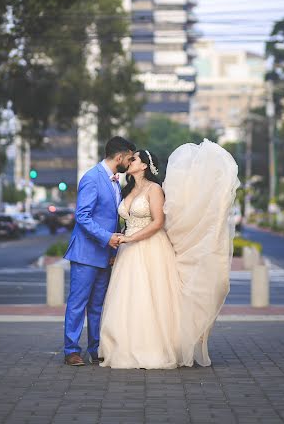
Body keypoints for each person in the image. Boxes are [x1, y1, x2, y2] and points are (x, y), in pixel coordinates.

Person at [99, 140, 240, 369]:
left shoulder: (154, 190)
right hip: (127, 250)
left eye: (134, 158)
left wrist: (131, 238)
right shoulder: (125, 189)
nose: (129, 161)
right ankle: (123, 345)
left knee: (150, 297)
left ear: (144, 165)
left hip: (150, 247)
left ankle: (151, 347)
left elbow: (158, 222)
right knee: (127, 297)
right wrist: (122, 240)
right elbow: (125, 220)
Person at [63, 136, 135, 366]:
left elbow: (111, 217)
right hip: (85, 253)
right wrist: (107, 238)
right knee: (78, 303)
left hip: (105, 254)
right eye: (130, 158)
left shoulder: (115, 181)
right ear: (120, 157)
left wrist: (112, 249)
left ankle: (96, 348)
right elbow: (82, 216)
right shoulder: (92, 178)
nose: (131, 162)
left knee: (98, 305)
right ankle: (71, 350)